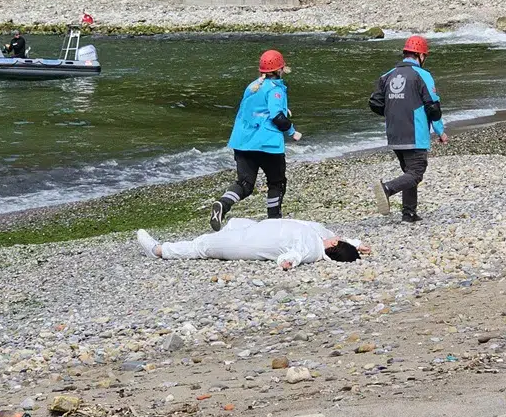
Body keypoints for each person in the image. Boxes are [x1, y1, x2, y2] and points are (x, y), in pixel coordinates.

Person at [210, 50, 302, 230]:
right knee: (276, 182)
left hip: (243, 143)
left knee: (244, 184)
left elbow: (252, 110)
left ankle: (223, 203)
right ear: (280, 69)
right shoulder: (276, 90)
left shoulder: (253, 86)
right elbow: (276, 117)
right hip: (267, 144)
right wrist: (292, 131)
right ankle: (273, 221)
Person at [368, 35, 446, 223]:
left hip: (394, 132)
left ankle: (408, 213)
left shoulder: (387, 75)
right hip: (415, 132)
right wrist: (440, 130)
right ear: (420, 55)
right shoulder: (422, 75)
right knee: (416, 172)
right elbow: (433, 107)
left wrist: (395, 115)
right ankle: (387, 188)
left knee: (409, 173)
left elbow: (374, 103)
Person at [135, 218, 370, 271]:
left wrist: (287, 263)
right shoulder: (319, 237)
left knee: (202, 246)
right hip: (255, 228)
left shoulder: (311, 250)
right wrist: (357, 244)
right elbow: (328, 233)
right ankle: (220, 234)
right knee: (235, 222)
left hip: (247, 242)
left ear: (332, 245)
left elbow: (294, 256)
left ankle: (158, 250)